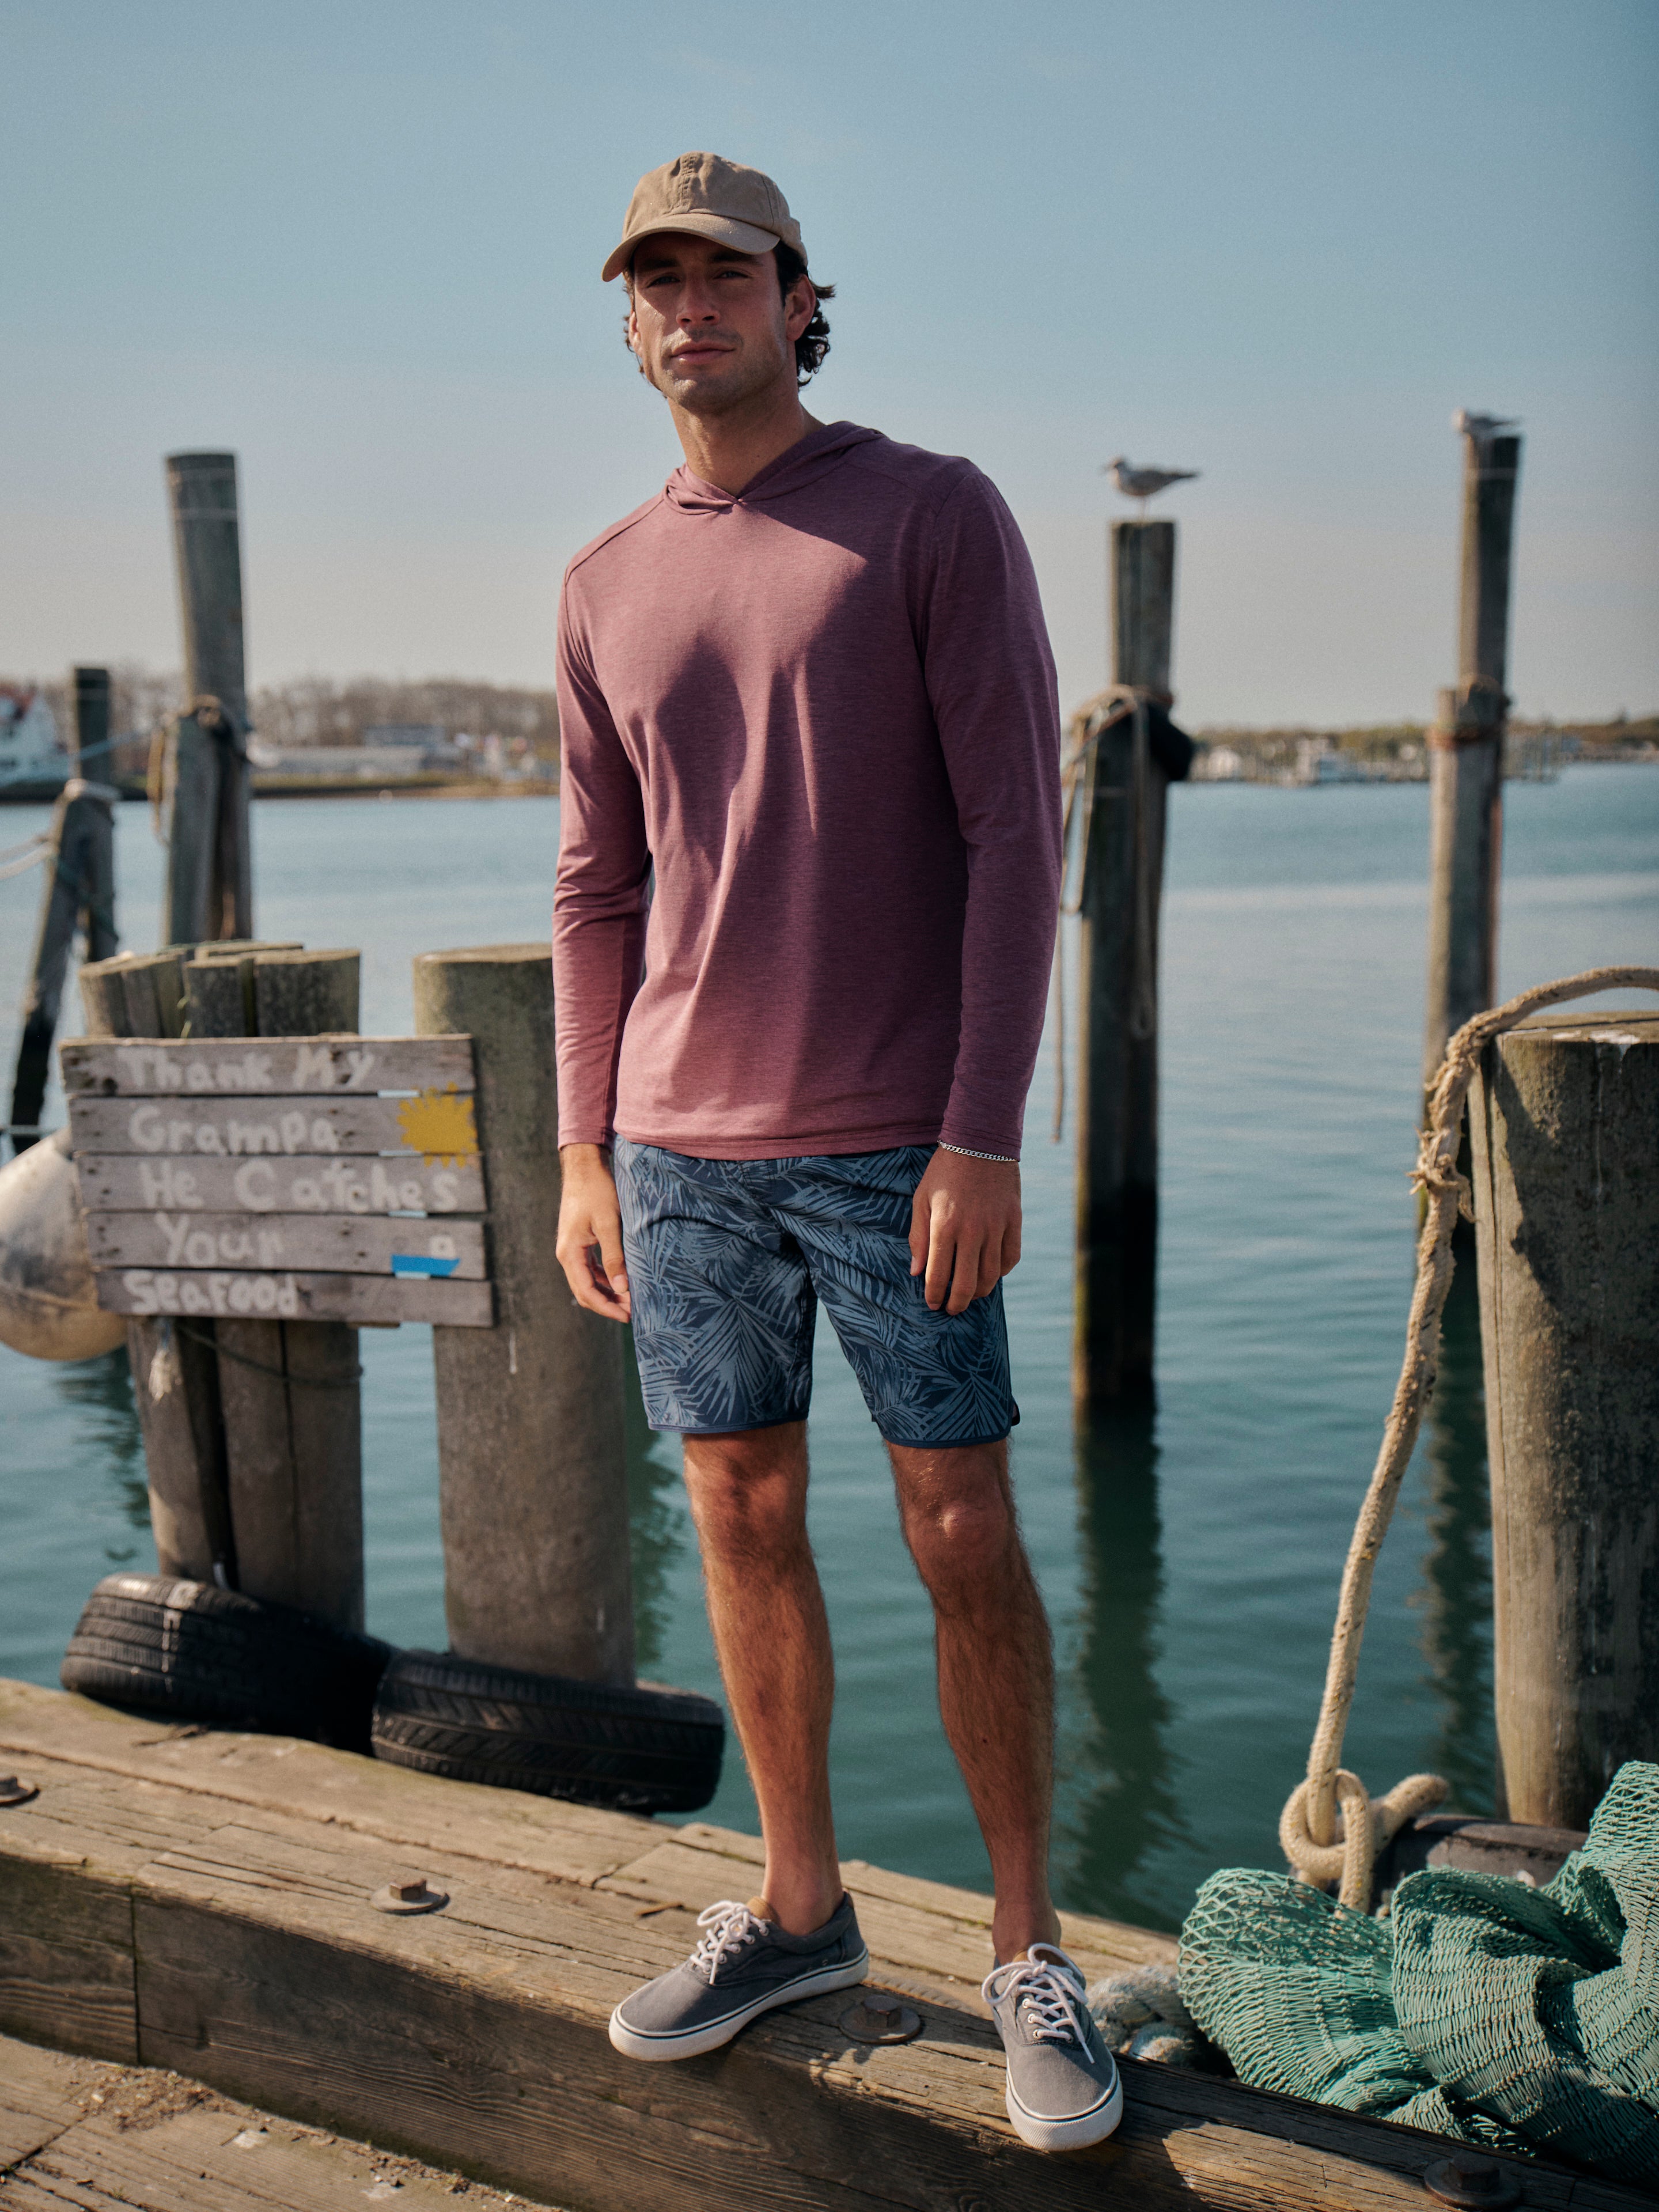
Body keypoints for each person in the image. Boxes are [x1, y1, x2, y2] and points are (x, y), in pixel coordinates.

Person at [552, 150, 1120, 2153]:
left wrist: (984, 1128)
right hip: (680, 1147)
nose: (693, 306)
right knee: (738, 1514)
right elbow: (595, 890)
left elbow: (1015, 841)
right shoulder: (604, 578)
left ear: (803, 298)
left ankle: (1027, 1951)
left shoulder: (931, 512)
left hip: (900, 1142)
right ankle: (800, 1912)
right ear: (628, 325)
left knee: (959, 1530)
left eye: (731, 274)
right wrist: (583, 1146)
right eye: (657, 282)